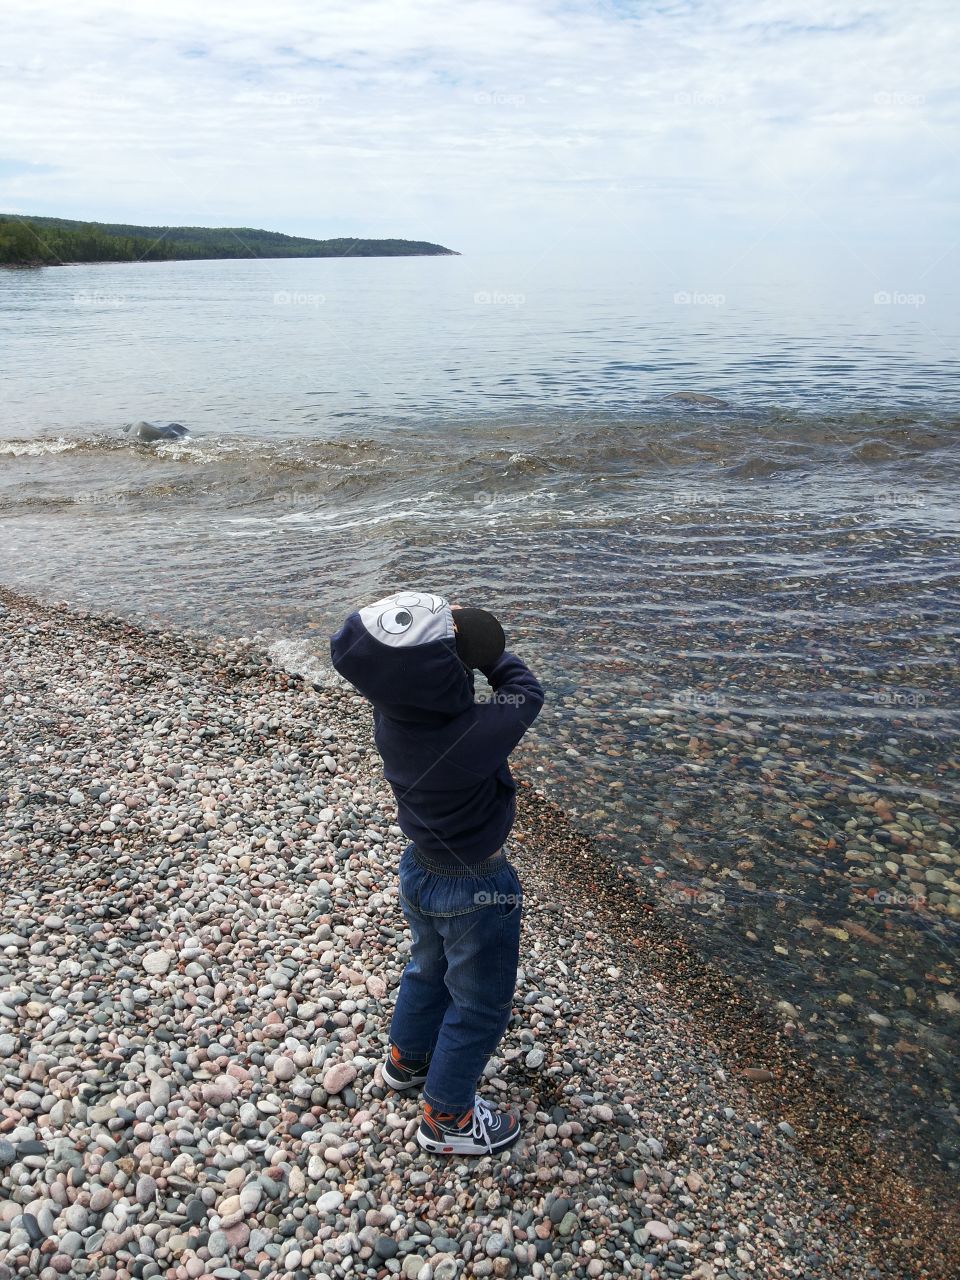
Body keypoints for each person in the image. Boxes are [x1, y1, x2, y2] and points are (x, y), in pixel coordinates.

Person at [329, 590, 544, 1154]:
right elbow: (526, 692)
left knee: (427, 968)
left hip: (419, 869)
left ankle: (407, 1060)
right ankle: (447, 1118)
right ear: (447, 675)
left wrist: (454, 651)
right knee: (478, 1004)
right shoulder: (469, 737)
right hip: (477, 886)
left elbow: (414, 678)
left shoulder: (392, 711)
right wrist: (490, 654)